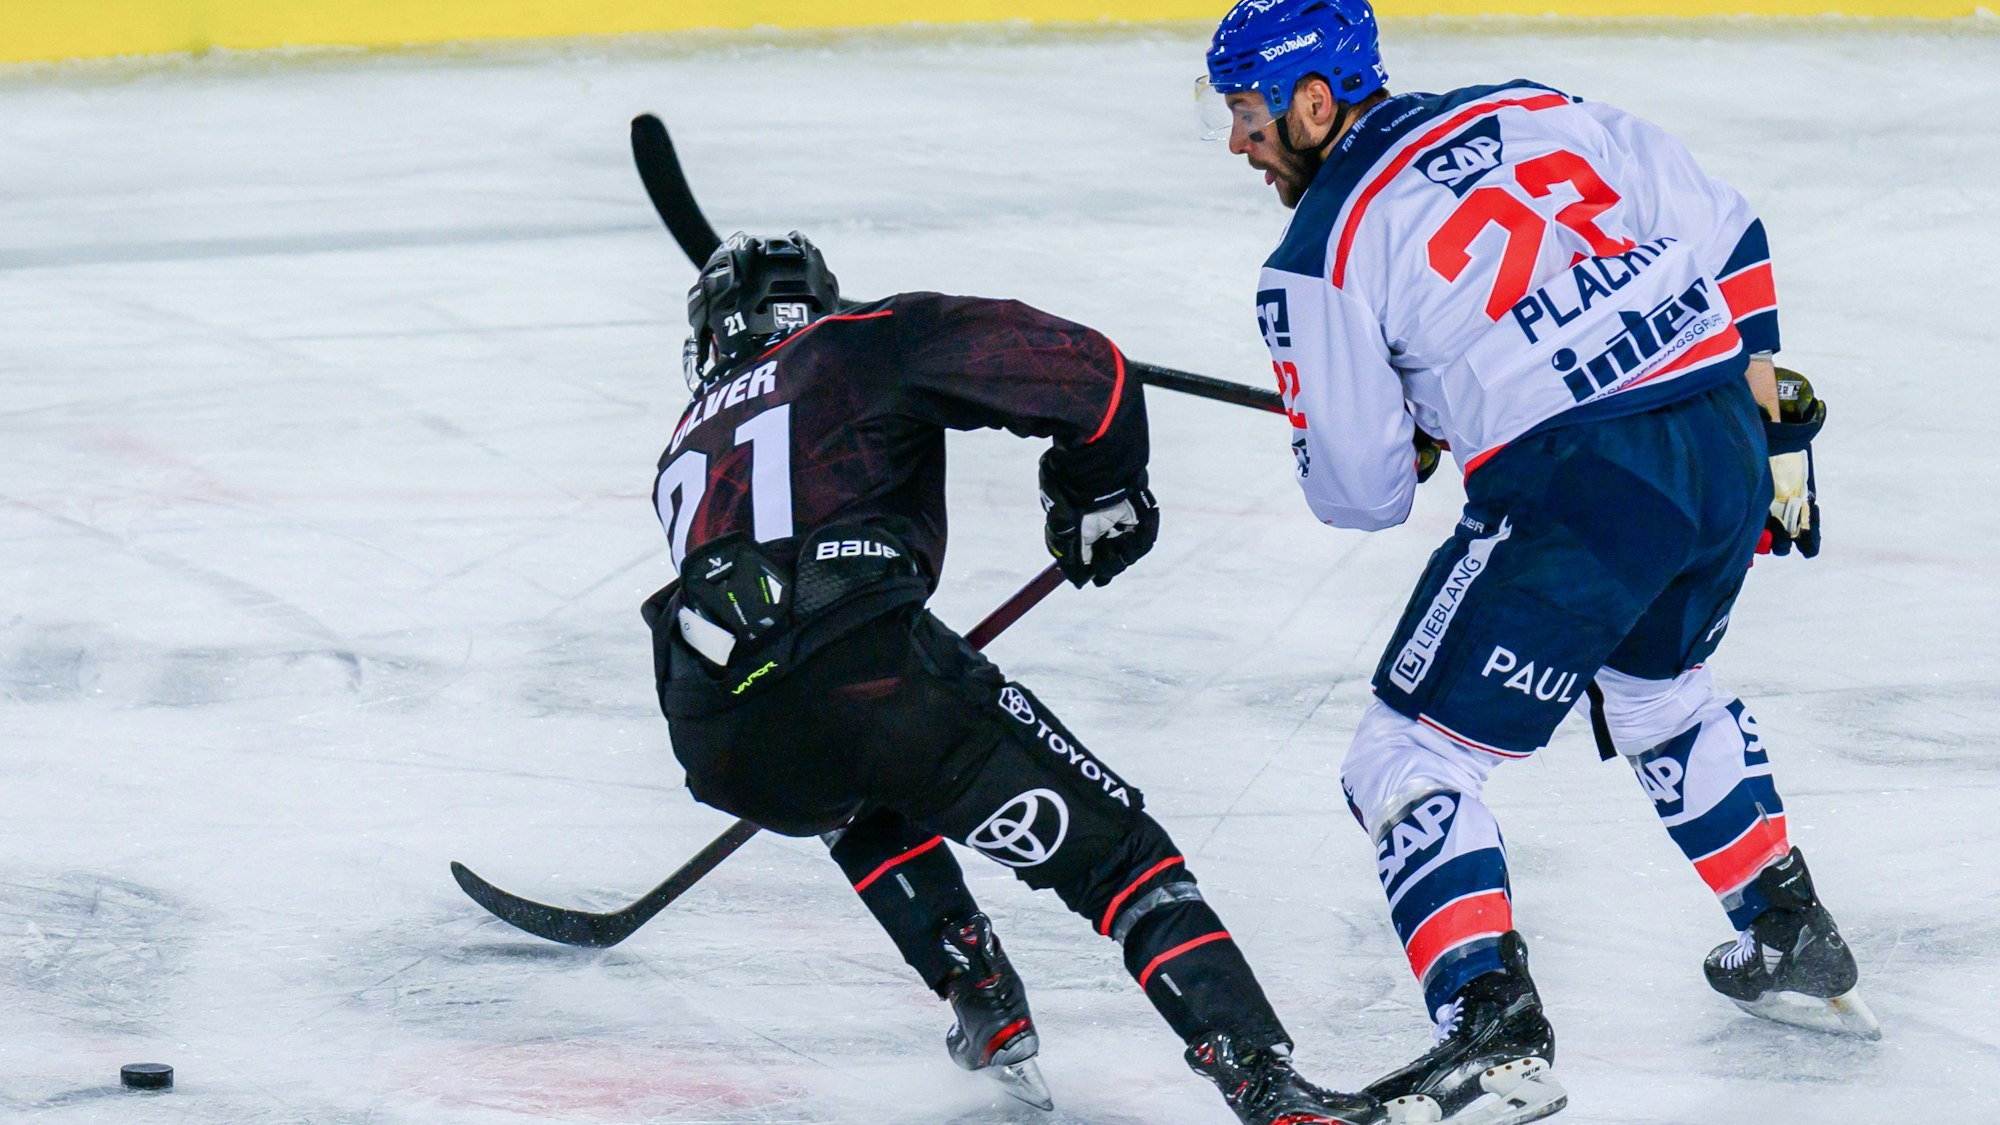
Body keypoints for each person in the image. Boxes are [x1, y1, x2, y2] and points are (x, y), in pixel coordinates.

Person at [1198, 1, 1876, 1120]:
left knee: (1402, 756)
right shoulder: (1527, 107)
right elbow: (1725, 224)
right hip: (1716, 439)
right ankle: (1788, 927)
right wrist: (1766, 402)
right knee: (1659, 689)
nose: (1238, 144)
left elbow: (1359, 492)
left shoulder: (1316, 251)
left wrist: (1402, 429)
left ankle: (1491, 1024)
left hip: (1584, 481)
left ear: (1314, 101)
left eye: (1246, 114)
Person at [644, 231, 1382, 1125]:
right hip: (869, 684)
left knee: (850, 778)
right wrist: (1098, 490)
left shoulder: (685, 440)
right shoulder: (862, 339)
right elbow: (1094, 374)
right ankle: (1267, 1085)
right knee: (1121, 858)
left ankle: (977, 989)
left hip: (722, 738)